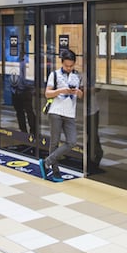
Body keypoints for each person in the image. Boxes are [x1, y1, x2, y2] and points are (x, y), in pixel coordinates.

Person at [39, 49, 83, 182]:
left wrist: (78, 92)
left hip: (70, 113)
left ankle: (47, 162)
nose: (69, 68)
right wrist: (61, 91)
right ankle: (55, 171)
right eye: (66, 66)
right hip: (56, 112)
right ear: (62, 63)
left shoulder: (78, 76)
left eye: (71, 66)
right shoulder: (55, 74)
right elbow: (47, 93)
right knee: (54, 142)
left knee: (72, 141)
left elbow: (81, 95)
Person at [10, 66, 36, 134]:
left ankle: (33, 131)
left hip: (25, 90)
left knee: (28, 111)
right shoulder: (15, 61)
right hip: (16, 90)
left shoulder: (27, 61)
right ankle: (24, 131)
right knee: (20, 112)